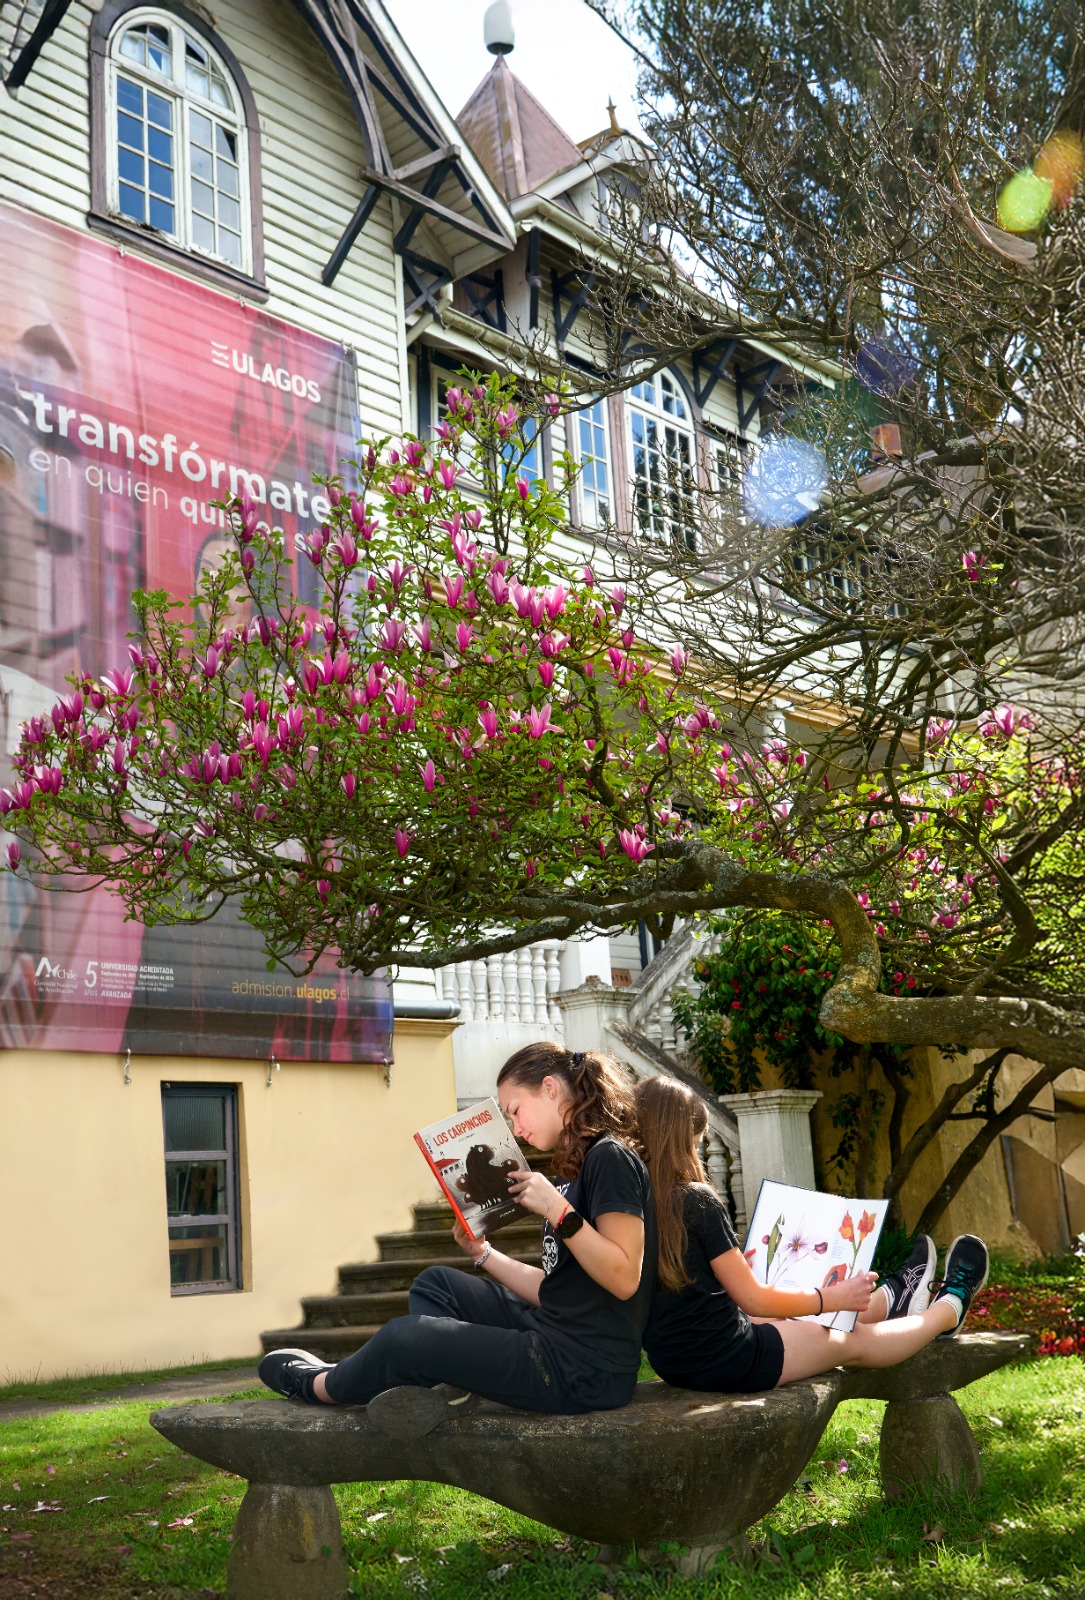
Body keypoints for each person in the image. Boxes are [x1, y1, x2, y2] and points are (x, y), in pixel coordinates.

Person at [259, 1042, 658, 1435]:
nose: (516, 1129)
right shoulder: (576, 1166)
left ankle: (319, 1386)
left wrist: (557, 1210)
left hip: (583, 1371)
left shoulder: (611, 1158)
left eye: (515, 1111)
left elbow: (624, 1278)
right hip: (553, 1332)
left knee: (408, 1336)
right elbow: (560, 1292)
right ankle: (444, 1389)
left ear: (550, 1088)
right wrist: (483, 1253)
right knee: (436, 1282)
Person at [635, 1076, 989, 1393]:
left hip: (676, 1364)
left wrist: (729, 1269)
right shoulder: (697, 1200)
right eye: (695, 1144)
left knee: (799, 1318)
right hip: (728, 1360)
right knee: (851, 1340)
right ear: (680, 1141)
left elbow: (676, 1287)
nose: (696, 1154)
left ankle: (893, 1298)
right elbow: (754, 1301)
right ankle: (950, 1308)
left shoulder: (628, 1203)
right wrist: (830, 1298)